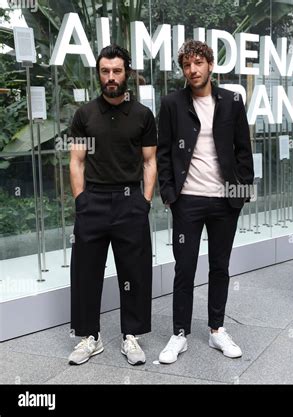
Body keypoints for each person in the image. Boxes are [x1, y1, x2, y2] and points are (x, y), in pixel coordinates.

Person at [157, 40, 254, 364]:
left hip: (225, 201)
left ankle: (216, 330)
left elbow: (244, 149)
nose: (192, 70)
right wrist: (170, 195)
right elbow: (164, 152)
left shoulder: (231, 101)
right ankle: (179, 334)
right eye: (186, 64)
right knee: (184, 268)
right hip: (188, 201)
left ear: (210, 65)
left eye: (198, 63)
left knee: (219, 267)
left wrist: (241, 194)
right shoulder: (172, 103)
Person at [68, 44, 157, 366]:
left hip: (129, 202)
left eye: (116, 71)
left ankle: (130, 336)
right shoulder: (84, 115)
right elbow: (76, 161)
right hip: (92, 202)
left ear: (127, 74)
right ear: (99, 74)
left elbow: (150, 161)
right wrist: (81, 200)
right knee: (85, 272)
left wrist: (144, 201)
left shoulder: (143, 115)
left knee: (134, 271)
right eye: (105, 71)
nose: (110, 77)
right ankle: (89, 336)